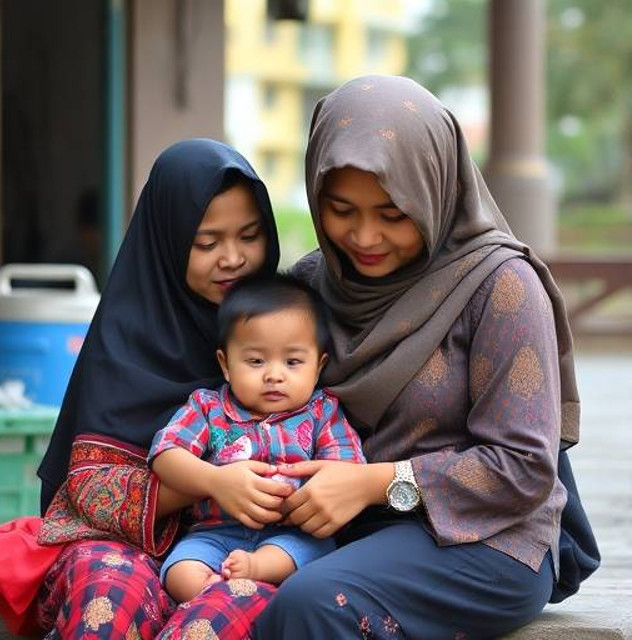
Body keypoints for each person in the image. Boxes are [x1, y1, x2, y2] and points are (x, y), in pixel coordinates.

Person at [243, 74, 595, 639]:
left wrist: (373, 483)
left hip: (489, 538)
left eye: (393, 213)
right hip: (344, 529)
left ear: (434, 189)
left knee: (313, 603)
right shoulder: (314, 283)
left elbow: (525, 467)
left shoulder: (501, 285)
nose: (364, 237)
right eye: (340, 210)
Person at [33, 138, 286, 639]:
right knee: (109, 594)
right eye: (206, 243)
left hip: (251, 550)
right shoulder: (128, 338)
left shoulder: (284, 328)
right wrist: (214, 482)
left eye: (249, 235)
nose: (232, 258)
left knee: (223, 613)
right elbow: (89, 489)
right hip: (118, 547)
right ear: (167, 242)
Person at [149, 274, 365, 602]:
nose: (274, 375)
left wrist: (307, 494)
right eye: (255, 361)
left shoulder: (323, 412)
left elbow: (347, 469)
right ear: (226, 364)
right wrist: (214, 481)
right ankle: (210, 595)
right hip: (215, 534)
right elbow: (166, 454)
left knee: (304, 553)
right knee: (180, 570)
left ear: (318, 366)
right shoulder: (208, 407)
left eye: (293, 362)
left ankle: (254, 571)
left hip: (292, 533)